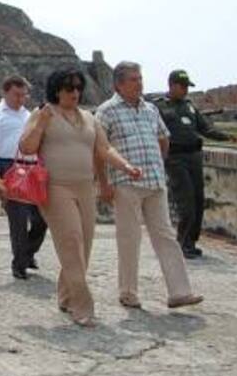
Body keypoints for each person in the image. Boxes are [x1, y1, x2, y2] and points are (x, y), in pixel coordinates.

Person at [18, 68, 143, 327]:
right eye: (68, 88)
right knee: (71, 242)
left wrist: (126, 166)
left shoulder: (88, 117)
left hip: (85, 187)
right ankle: (82, 305)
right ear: (56, 90)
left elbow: (104, 148)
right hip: (56, 188)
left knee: (83, 246)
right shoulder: (43, 114)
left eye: (78, 87)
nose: (74, 92)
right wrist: (40, 123)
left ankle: (66, 296)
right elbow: (26, 147)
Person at [96, 62, 204, 309]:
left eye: (140, 78)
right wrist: (104, 183)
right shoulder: (106, 111)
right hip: (125, 183)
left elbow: (163, 138)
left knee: (166, 236)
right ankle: (128, 292)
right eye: (133, 79)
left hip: (155, 181)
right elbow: (100, 149)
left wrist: (158, 162)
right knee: (129, 238)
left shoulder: (150, 109)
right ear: (119, 84)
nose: (139, 83)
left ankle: (180, 292)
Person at [157, 69, 237, 259]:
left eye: (187, 87)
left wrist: (225, 136)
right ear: (172, 85)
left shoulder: (189, 106)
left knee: (198, 201)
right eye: (182, 86)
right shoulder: (159, 107)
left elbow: (205, 128)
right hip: (176, 158)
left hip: (194, 156)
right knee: (186, 203)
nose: (186, 90)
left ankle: (191, 242)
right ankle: (182, 243)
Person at [0, 74, 46, 280]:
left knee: (41, 217)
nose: (20, 99)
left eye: (24, 95)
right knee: (18, 218)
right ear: (5, 92)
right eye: (17, 94)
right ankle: (19, 264)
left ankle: (28, 252)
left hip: (31, 166)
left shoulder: (29, 115)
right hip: (7, 166)